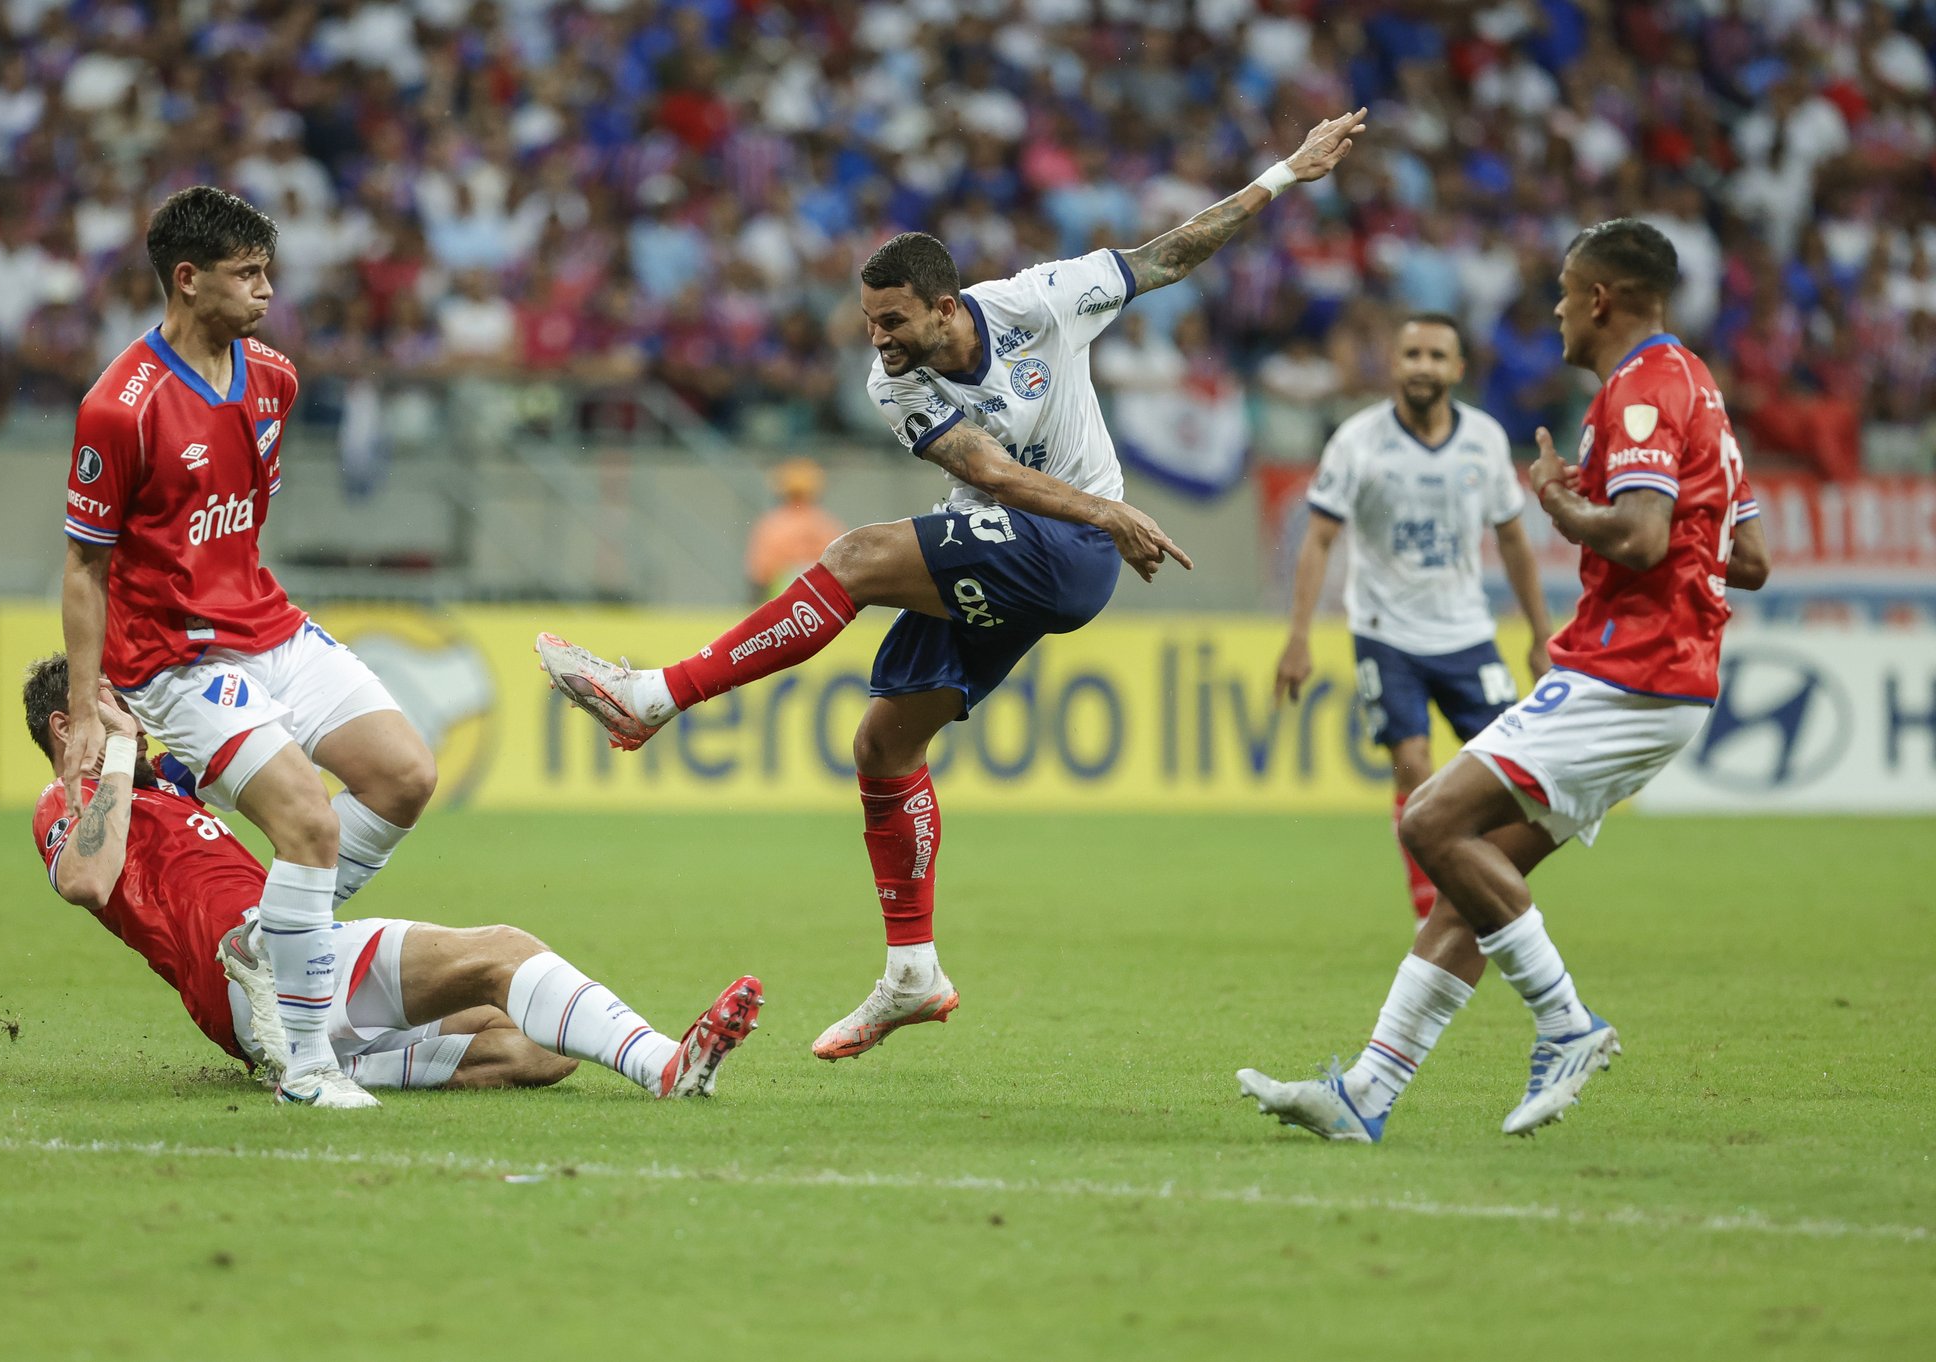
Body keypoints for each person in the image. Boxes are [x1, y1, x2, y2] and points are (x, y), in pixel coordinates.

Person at [538, 110, 1370, 1063]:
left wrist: (1283, 172)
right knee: (883, 745)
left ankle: (653, 697)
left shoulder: (1041, 301)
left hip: (1068, 550)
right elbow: (993, 471)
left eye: (893, 321)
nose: (878, 341)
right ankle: (912, 971)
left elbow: (1172, 252)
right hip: (1028, 538)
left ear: (945, 305)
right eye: (867, 323)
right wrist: (1115, 514)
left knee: (853, 557)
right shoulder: (893, 387)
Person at [1240, 219, 1770, 1142]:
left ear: (1600, 298)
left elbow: (1642, 537)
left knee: (1429, 819)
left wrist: (1567, 506)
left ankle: (1566, 1021)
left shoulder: (1640, 389)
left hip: (1629, 668)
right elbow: (1751, 555)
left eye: (1566, 294)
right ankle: (1367, 1092)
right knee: (1465, 879)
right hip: (1667, 679)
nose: (1558, 311)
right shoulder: (1699, 386)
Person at [60, 186, 439, 1108]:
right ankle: (308, 1065)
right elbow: (83, 569)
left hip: (267, 624)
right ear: (187, 281)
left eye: (269, 271)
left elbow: (237, 523)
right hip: (177, 663)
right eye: (247, 273)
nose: (267, 290)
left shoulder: (274, 378)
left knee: (405, 776)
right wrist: (85, 707)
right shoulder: (120, 407)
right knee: (307, 823)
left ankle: (267, 934)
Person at [22, 654, 761, 1097]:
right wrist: (114, 750)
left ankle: (322, 1067)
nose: (137, 716)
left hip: (284, 983)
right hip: (254, 972)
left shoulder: (158, 784)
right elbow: (89, 878)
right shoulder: (68, 801)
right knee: (503, 948)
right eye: (117, 701)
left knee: (540, 1049)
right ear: (65, 724)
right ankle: (670, 1063)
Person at [1274, 313, 1553, 921]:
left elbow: (1514, 543)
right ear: (1395, 365)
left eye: (1435, 356)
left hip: (1467, 633)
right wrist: (1299, 638)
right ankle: (1433, 908)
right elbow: (1319, 540)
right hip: (1385, 635)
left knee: (1508, 777)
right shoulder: (1357, 440)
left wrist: (1540, 636)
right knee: (1416, 767)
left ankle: (1477, 881)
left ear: (1456, 369)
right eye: (1412, 354)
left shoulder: (1483, 439)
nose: (1423, 366)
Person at [745, 458, 845, 599]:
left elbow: (760, 573)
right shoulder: (825, 523)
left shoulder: (771, 523)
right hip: (820, 599)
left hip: (782, 599)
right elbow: (841, 567)